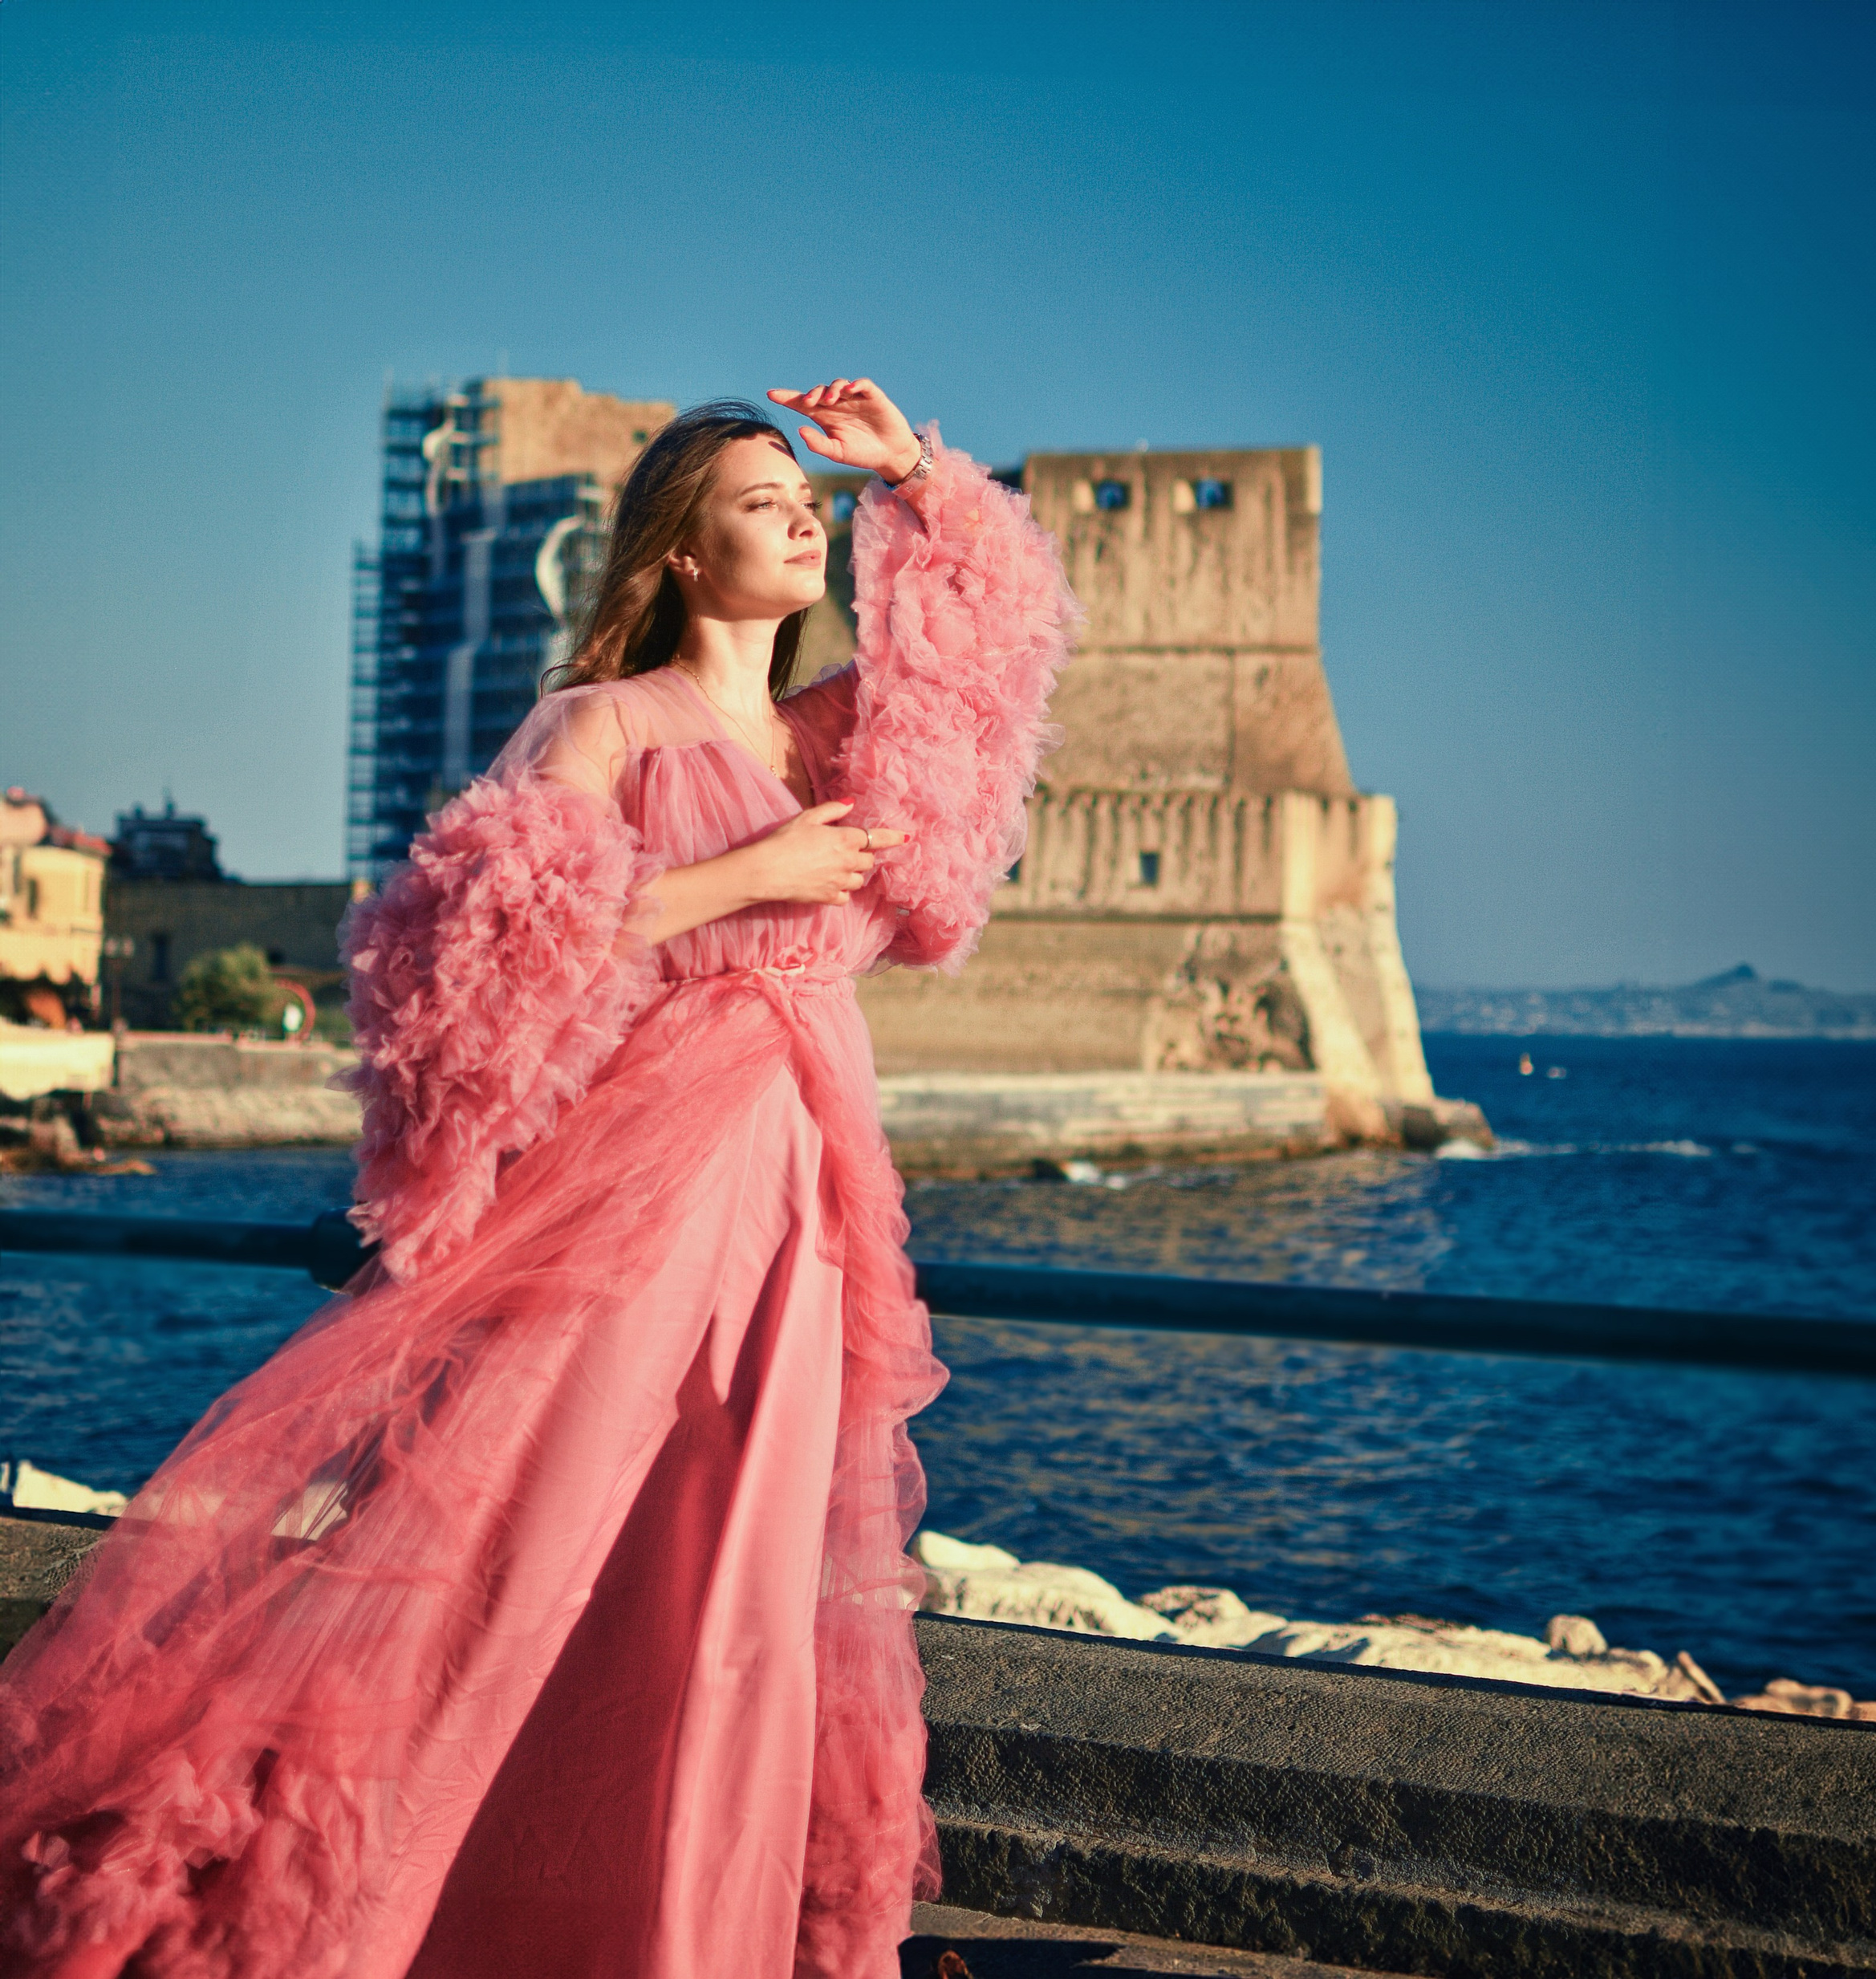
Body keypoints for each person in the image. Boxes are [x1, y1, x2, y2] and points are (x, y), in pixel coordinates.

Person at [0, 380, 1078, 1979]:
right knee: (533, 1561)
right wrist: (743, 877)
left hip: (798, 1209)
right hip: (636, 1201)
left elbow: (984, 680)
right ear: (684, 557)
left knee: (738, 1600)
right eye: (757, 498)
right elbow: (470, 953)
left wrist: (910, 472)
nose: (799, 514)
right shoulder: (601, 723)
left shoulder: (834, 734)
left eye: (804, 494)